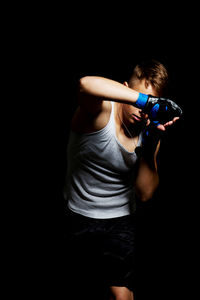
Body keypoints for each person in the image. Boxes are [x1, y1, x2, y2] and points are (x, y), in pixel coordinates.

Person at [63, 59, 182, 300]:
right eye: (139, 99)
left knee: (123, 296)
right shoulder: (101, 110)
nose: (143, 111)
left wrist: (151, 145)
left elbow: (145, 193)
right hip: (77, 213)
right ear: (125, 88)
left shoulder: (148, 130)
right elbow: (85, 84)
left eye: (153, 104)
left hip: (120, 219)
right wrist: (144, 101)